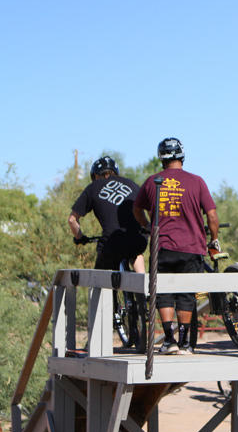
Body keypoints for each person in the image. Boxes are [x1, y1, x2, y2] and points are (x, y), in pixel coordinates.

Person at [133, 137, 220, 355]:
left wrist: (147, 226)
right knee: (187, 295)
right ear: (182, 155)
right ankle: (185, 343)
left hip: (162, 248)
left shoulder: (152, 181)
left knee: (163, 293)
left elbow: (136, 209)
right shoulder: (197, 181)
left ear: (160, 158)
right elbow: (212, 215)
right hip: (192, 247)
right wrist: (214, 239)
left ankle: (169, 340)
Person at [68, 156, 147, 274]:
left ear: (95, 175)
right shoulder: (132, 184)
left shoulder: (93, 187)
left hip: (112, 243)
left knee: (100, 284)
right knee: (136, 252)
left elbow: (72, 220)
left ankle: (105, 291)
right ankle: (143, 285)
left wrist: (80, 238)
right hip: (139, 239)